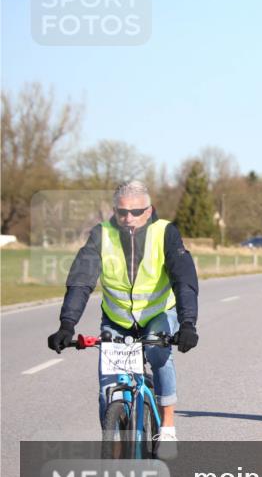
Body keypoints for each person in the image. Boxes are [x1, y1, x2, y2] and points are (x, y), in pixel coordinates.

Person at [46, 181, 199, 442]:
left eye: (136, 212)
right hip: (116, 320)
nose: (129, 218)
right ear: (115, 211)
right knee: (108, 388)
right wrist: (67, 324)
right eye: (122, 212)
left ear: (149, 211)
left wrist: (187, 324)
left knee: (158, 352)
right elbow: (82, 281)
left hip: (157, 314)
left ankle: (168, 427)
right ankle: (113, 446)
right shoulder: (101, 234)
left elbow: (184, 280)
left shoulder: (165, 233)